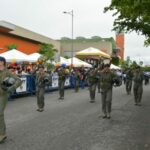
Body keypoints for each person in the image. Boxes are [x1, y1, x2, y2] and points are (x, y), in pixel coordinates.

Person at [0, 56, 22, 143]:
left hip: (3, 95)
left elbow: (19, 80)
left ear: (2, 62)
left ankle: (2, 134)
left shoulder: (7, 72)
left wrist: (11, 89)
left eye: (0, 61)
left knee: (0, 113)